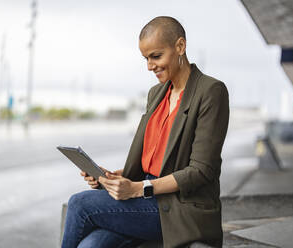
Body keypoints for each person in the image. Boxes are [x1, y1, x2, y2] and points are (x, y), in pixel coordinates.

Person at [61, 16, 229, 248]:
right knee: (91, 246)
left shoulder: (211, 91)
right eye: (146, 58)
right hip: (146, 200)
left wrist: (139, 189)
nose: (150, 66)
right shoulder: (156, 94)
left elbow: (202, 171)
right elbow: (151, 162)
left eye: (156, 56)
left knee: (79, 204)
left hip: (181, 207)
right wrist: (111, 178)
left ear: (180, 46)